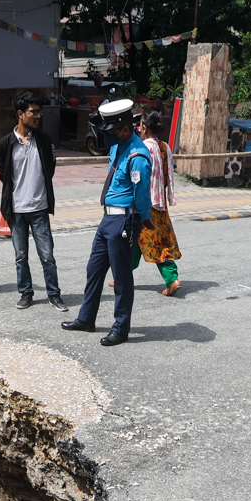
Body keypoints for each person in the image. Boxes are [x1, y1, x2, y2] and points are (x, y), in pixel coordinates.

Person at [60, 98, 150, 347]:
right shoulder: (116, 148)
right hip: (107, 218)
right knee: (94, 269)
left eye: (110, 131)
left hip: (124, 220)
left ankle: (121, 328)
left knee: (121, 278)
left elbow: (141, 194)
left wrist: (144, 219)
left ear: (125, 128)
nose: (106, 136)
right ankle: (86, 319)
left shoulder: (138, 155)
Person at [0, 91, 61, 311]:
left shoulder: (44, 140)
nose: (38, 116)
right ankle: (26, 293)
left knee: (47, 255)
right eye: (34, 111)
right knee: (20, 256)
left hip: (39, 208)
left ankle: (54, 294)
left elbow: (49, 170)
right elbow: (2, 173)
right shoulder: (6, 143)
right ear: (20, 114)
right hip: (16, 210)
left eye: (39, 111)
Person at [137, 111, 182, 294]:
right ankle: (120, 275)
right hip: (160, 202)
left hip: (146, 203)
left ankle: (171, 279)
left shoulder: (144, 147)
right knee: (143, 241)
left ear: (145, 128)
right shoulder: (165, 147)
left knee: (150, 241)